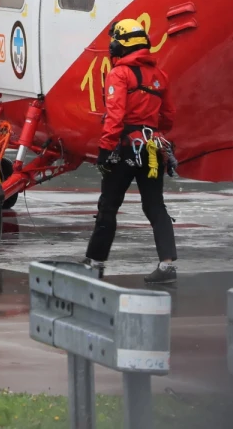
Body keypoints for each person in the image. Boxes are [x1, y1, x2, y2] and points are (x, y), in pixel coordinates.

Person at [84, 19, 179, 284]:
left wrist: (105, 150)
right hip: (152, 148)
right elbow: (169, 118)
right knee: (155, 205)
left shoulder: (119, 74)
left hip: (125, 148)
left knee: (109, 206)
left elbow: (115, 116)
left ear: (120, 45)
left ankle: (95, 263)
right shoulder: (160, 76)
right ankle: (167, 265)